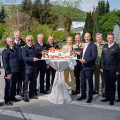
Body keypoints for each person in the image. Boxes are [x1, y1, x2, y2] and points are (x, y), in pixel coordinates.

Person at [100, 32, 120, 105]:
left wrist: (118, 70)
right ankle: (107, 97)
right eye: (109, 38)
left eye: (111, 38)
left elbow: (119, 59)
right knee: (107, 83)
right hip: (105, 69)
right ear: (107, 38)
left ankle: (112, 99)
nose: (110, 39)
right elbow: (102, 58)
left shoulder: (116, 47)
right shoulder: (105, 46)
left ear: (113, 38)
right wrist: (101, 67)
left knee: (112, 84)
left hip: (113, 69)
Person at [77, 33, 97, 103]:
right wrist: (80, 57)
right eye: (85, 37)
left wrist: (85, 60)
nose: (86, 38)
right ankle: (83, 95)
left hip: (89, 67)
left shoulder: (93, 46)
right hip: (82, 67)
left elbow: (94, 57)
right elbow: (83, 55)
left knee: (90, 82)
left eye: (88, 37)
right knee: (82, 82)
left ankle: (90, 97)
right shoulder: (84, 45)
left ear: (90, 37)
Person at [2, 36, 20, 105]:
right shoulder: (6, 51)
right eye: (10, 41)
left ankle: (12, 97)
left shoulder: (15, 49)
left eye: (12, 41)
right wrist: (8, 73)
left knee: (13, 85)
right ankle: (7, 99)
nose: (11, 42)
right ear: (7, 42)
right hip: (10, 72)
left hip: (16, 70)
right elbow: (5, 63)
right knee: (8, 86)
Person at [22, 35, 39, 102]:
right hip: (27, 68)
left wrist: (42, 54)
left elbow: (36, 55)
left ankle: (31, 94)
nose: (30, 41)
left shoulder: (33, 47)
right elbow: (24, 58)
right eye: (29, 40)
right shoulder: (24, 48)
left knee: (33, 82)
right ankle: (25, 96)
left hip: (34, 67)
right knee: (26, 83)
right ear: (26, 41)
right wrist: (32, 59)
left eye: (31, 40)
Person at [14, 30, 26, 96]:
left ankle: (19, 91)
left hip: (22, 64)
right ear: (14, 36)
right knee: (14, 79)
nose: (18, 37)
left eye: (19, 35)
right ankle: (13, 92)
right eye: (16, 35)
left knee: (20, 78)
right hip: (15, 64)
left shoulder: (23, 43)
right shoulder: (11, 43)